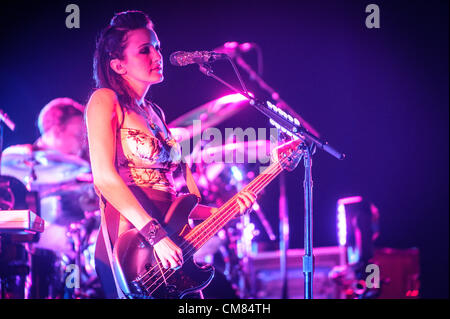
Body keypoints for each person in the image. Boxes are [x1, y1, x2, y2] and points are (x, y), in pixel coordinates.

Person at [85, 10, 257, 299]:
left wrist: (223, 212)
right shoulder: (105, 100)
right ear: (117, 65)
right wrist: (156, 236)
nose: (157, 55)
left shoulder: (156, 113)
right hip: (132, 243)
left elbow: (174, 199)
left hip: (170, 243)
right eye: (144, 50)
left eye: (157, 47)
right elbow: (104, 178)